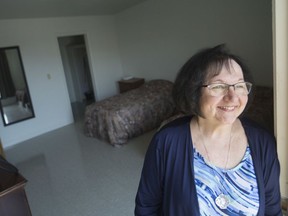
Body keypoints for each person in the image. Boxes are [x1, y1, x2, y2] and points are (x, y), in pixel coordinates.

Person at [134, 44, 282, 215]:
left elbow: (272, 209)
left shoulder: (263, 141)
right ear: (193, 92)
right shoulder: (166, 140)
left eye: (240, 85)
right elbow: (147, 207)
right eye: (218, 86)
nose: (233, 97)